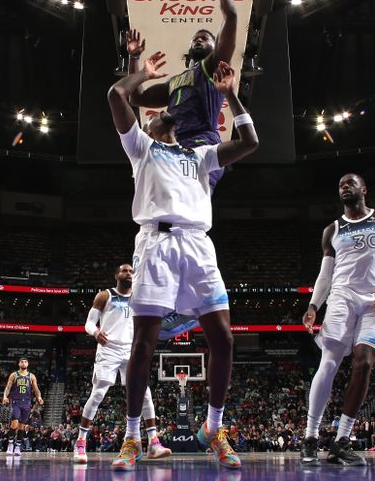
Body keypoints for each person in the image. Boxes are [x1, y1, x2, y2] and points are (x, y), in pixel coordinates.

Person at [107, 55, 258, 470]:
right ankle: (133, 435)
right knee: (143, 343)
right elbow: (117, 94)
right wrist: (146, 75)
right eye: (155, 115)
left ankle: (213, 427)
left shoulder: (201, 155)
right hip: (156, 244)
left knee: (224, 338)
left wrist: (232, 97)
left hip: (197, 245)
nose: (164, 116)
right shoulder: (141, 147)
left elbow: (249, 143)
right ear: (149, 125)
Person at [300, 173, 375, 467]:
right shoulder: (332, 230)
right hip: (342, 297)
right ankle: (310, 437)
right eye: (340, 184)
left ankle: (341, 441)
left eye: (350, 182)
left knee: (364, 362)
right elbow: (325, 275)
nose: (344, 186)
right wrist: (313, 305)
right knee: (330, 360)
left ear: (364, 189)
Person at [125, 0, 238, 190]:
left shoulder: (213, 67)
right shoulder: (175, 82)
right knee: (164, 204)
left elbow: (231, 16)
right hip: (175, 145)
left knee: (188, 204)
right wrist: (134, 58)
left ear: (215, 46)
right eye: (196, 38)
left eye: (205, 38)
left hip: (203, 143)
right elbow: (136, 97)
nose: (199, 39)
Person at [73, 263, 171, 464]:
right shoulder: (105, 295)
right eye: (125, 270)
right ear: (117, 275)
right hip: (108, 348)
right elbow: (89, 323)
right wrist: (95, 332)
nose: (129, 273)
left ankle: (153, 441)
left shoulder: (139, 296)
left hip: (131, 349)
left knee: (144, 392)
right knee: (99, 393)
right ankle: (81, 441)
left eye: (131, 271)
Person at [1, 357, 44, 456]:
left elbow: (36, 389)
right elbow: (8, 387)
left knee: (22, 426)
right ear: (19, 364)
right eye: (22, 361)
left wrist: (39, 397)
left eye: (25, 362)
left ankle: (17, 446)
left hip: (27, 403)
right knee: (14, 423)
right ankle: (10, 444)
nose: (23, 363)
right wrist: (4, 396)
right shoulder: (14, 375)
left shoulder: (31, 376)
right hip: (16, 401)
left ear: (28, 364)